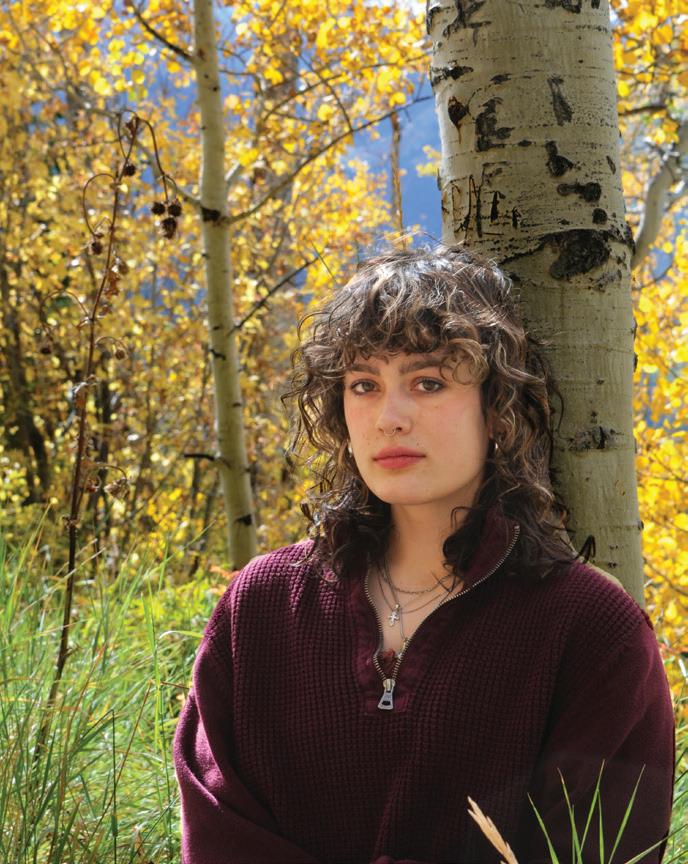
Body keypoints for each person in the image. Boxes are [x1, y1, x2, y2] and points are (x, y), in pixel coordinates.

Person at [173, 243, 675, 864]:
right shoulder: (261, 607)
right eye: (364, 385)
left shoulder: (592, 632)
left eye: (428, 383)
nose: (389, 417)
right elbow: (217, 838)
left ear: (498, 409)